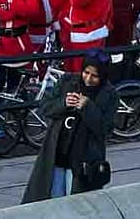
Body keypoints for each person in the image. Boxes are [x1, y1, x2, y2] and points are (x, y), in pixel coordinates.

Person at [22, 54, 117, 202]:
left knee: (78, 204)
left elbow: (105, 129)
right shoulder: (67, 81)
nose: (88, 79)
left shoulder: (109, 94)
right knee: (53, 199)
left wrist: (88, 107)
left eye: (95, 76)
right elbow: (45, 108)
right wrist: (64, 103)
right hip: (57, 155)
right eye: (86, 73)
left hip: (82, 161)